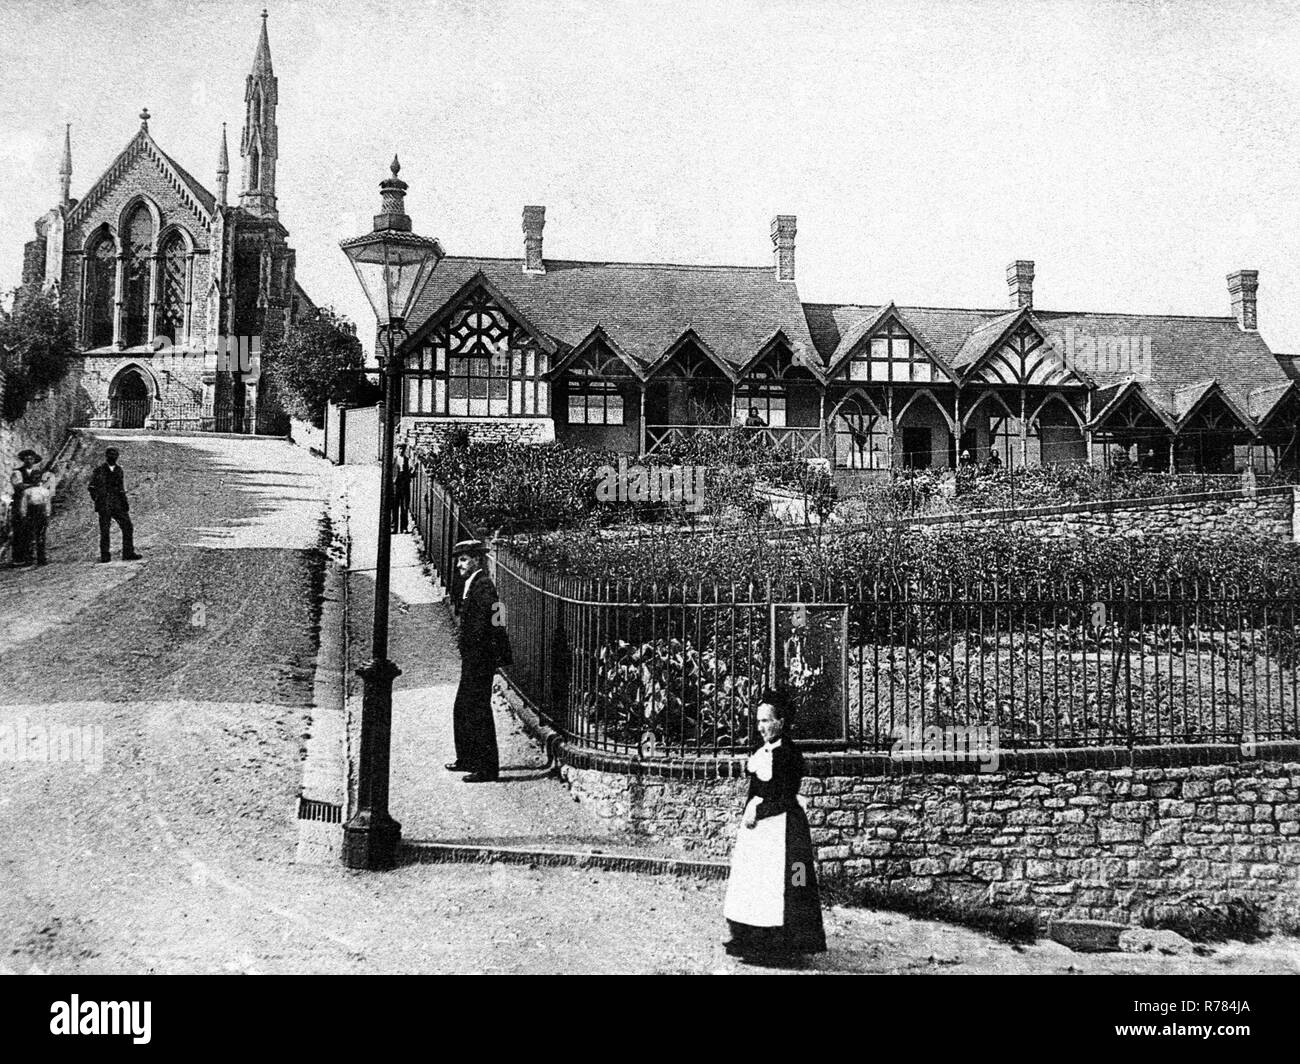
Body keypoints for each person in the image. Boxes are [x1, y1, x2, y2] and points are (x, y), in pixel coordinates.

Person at [722, 690, 827, 963]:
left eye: (767, 721)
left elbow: (785, 796)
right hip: (759, 831)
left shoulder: (791, 755)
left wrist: (760, 810)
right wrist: (750, 811)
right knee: (754, 883)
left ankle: (787, 946)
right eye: (759, 722)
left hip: (784, 829)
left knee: (794, 880)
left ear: (781, 721)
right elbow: (757, 788)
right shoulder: (760, 753)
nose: (761, 727)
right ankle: (751, 941)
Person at [446, 538, 512, 783]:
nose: (459, 566)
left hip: (480, 658)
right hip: (474, 657)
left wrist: (493, 649)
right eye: (459, 561)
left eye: (463, 560)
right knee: (463, 708)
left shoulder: (483, 585)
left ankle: (487, 768)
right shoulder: (473, 583)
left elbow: (497, 615)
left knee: (478, 711)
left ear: (476, 560)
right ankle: (468, 758)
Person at [88, 447, 142, 563]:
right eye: (110, 454)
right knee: (105, 530)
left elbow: (121, 488)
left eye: (115, 454)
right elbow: (91, 487)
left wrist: (124, 502)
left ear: (117, 456)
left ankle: (128, 553)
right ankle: (105, 556)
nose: (113, 456)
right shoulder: (99, 470)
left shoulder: (119, 470)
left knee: (127, 526)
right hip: (105, 505)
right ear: (106, 456)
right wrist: (98, 499)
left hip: (118, 504)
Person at [7, 449, 43, 567]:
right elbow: (18, 486)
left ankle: (30, 556)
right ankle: (18, 558)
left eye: (31, 458)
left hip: (33, 504)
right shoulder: (17, 472)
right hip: (19, 504)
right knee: (19, 529)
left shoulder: (38, 472)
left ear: (34, 460)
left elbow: (42, 486)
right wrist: (33, 485)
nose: (29, 460)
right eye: (26, 458)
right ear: (23, 460)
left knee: (32, 529)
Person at [19, 466, 58, 567]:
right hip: (31, 513)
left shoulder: (45, 491)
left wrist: (48, 514)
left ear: (41, 479)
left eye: (37, 478)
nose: (35, 479)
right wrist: (23, 514)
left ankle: (41, 558)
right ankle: (30, 559)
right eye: (34, 478)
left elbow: (47, 503)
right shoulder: (27, 491)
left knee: (41, 536)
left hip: (41, 513)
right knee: (30, 535)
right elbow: (24, 504)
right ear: (31, 479)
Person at [391, 446, 412, 534]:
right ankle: (393, 527)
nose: (401, 451)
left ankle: (404, 527)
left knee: (404, 507)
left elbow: (411, 472)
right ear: (396, 450)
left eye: (402, 449)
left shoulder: (408, 460)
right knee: (394, 506)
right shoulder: (394, 460)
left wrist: (411, 471)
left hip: (405, 485)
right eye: (399, 449)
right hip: (396, 485)